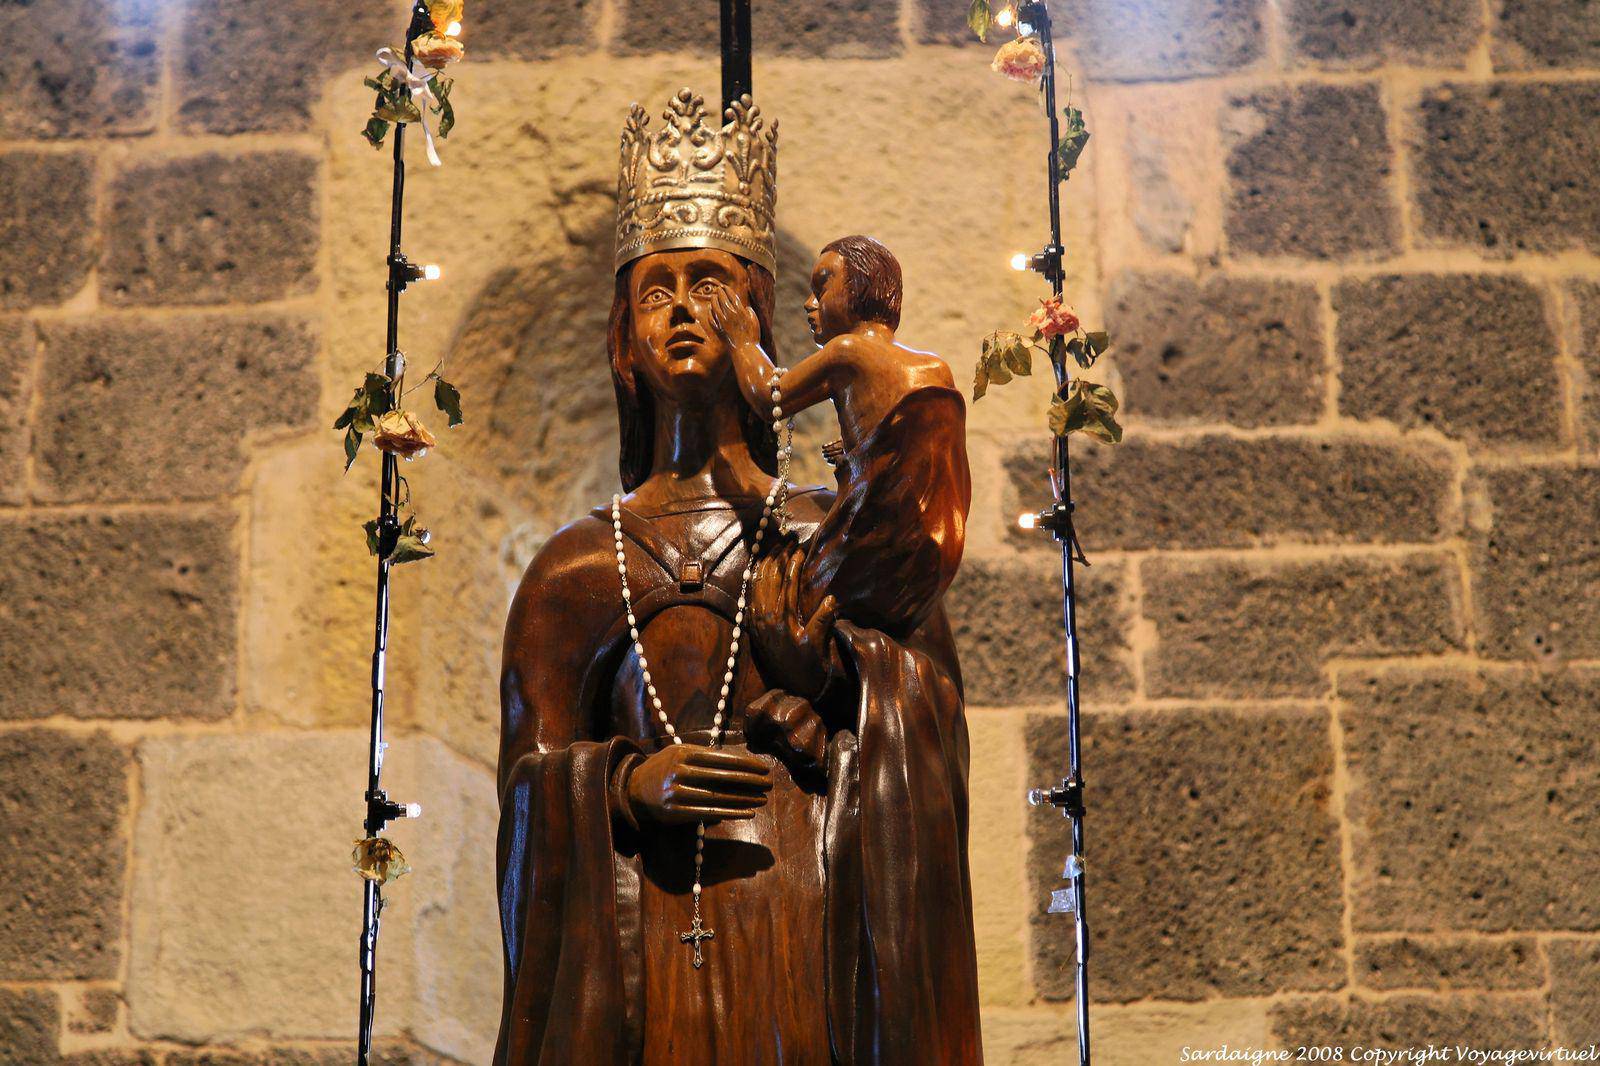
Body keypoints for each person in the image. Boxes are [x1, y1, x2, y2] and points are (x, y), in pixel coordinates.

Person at [494, 90, 982, 1065]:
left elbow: (934, 725)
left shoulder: (826, 533)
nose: (682, 308)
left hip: (804, 941)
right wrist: (624, 784)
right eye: (655, 290)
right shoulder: (573, 569)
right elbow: (524, 788)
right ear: (623, 337)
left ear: (758, 316)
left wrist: (838, 688)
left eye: (709, 283)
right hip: (641, 962)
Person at [710, 235, 972, 640]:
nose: (808, 303)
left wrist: (742, 341)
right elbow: (911, 450)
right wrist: (861, 453)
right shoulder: (936, 368)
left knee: (774, 593)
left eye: (822, 287)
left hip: (875, 545)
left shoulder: (847, 350)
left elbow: (770, 397)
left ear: (860, 288)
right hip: (931, 553)